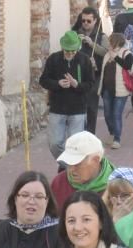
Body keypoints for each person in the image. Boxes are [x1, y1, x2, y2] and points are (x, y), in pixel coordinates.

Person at [41, 32, 95, 160]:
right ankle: (66, 164)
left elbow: (91, 84)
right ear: (62, 47)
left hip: (78, 109)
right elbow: (43, 80)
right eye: (67, 51)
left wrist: (77, 85)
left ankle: (69, 167)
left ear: (77, 49)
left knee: (75, 145)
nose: (70, 54)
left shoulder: (85, 60)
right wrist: (57, 83)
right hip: (57, 108)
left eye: (73, 51)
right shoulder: (53, 59)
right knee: (54, 143)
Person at [52, 131, 116, 211]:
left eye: (77, 164)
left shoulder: (117, 187)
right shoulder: (58, 183)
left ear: (95, 160)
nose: (71, 169)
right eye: (69, 163)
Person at [74, 7, 109, 137]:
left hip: (95, 76)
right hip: (78, 75)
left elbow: (107, 53)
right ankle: (79, 135)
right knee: (78, 106)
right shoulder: (75, 34)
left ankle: (90, 136)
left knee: (91, 107)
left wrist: (92, 44)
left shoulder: (102, 36)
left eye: (89, 21)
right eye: (83, 21)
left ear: (95, 21)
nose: (85, 23)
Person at [101, 33, 133, 149]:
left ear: (116, 42)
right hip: (107, 89)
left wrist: (115, 57)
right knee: (107, 113)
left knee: (116, 114)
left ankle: (117, 138)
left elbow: (128, 66)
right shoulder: (107, 54)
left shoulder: (127, 53)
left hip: (121, 89)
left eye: (110, 41)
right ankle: (112, 132)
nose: (108, 43)